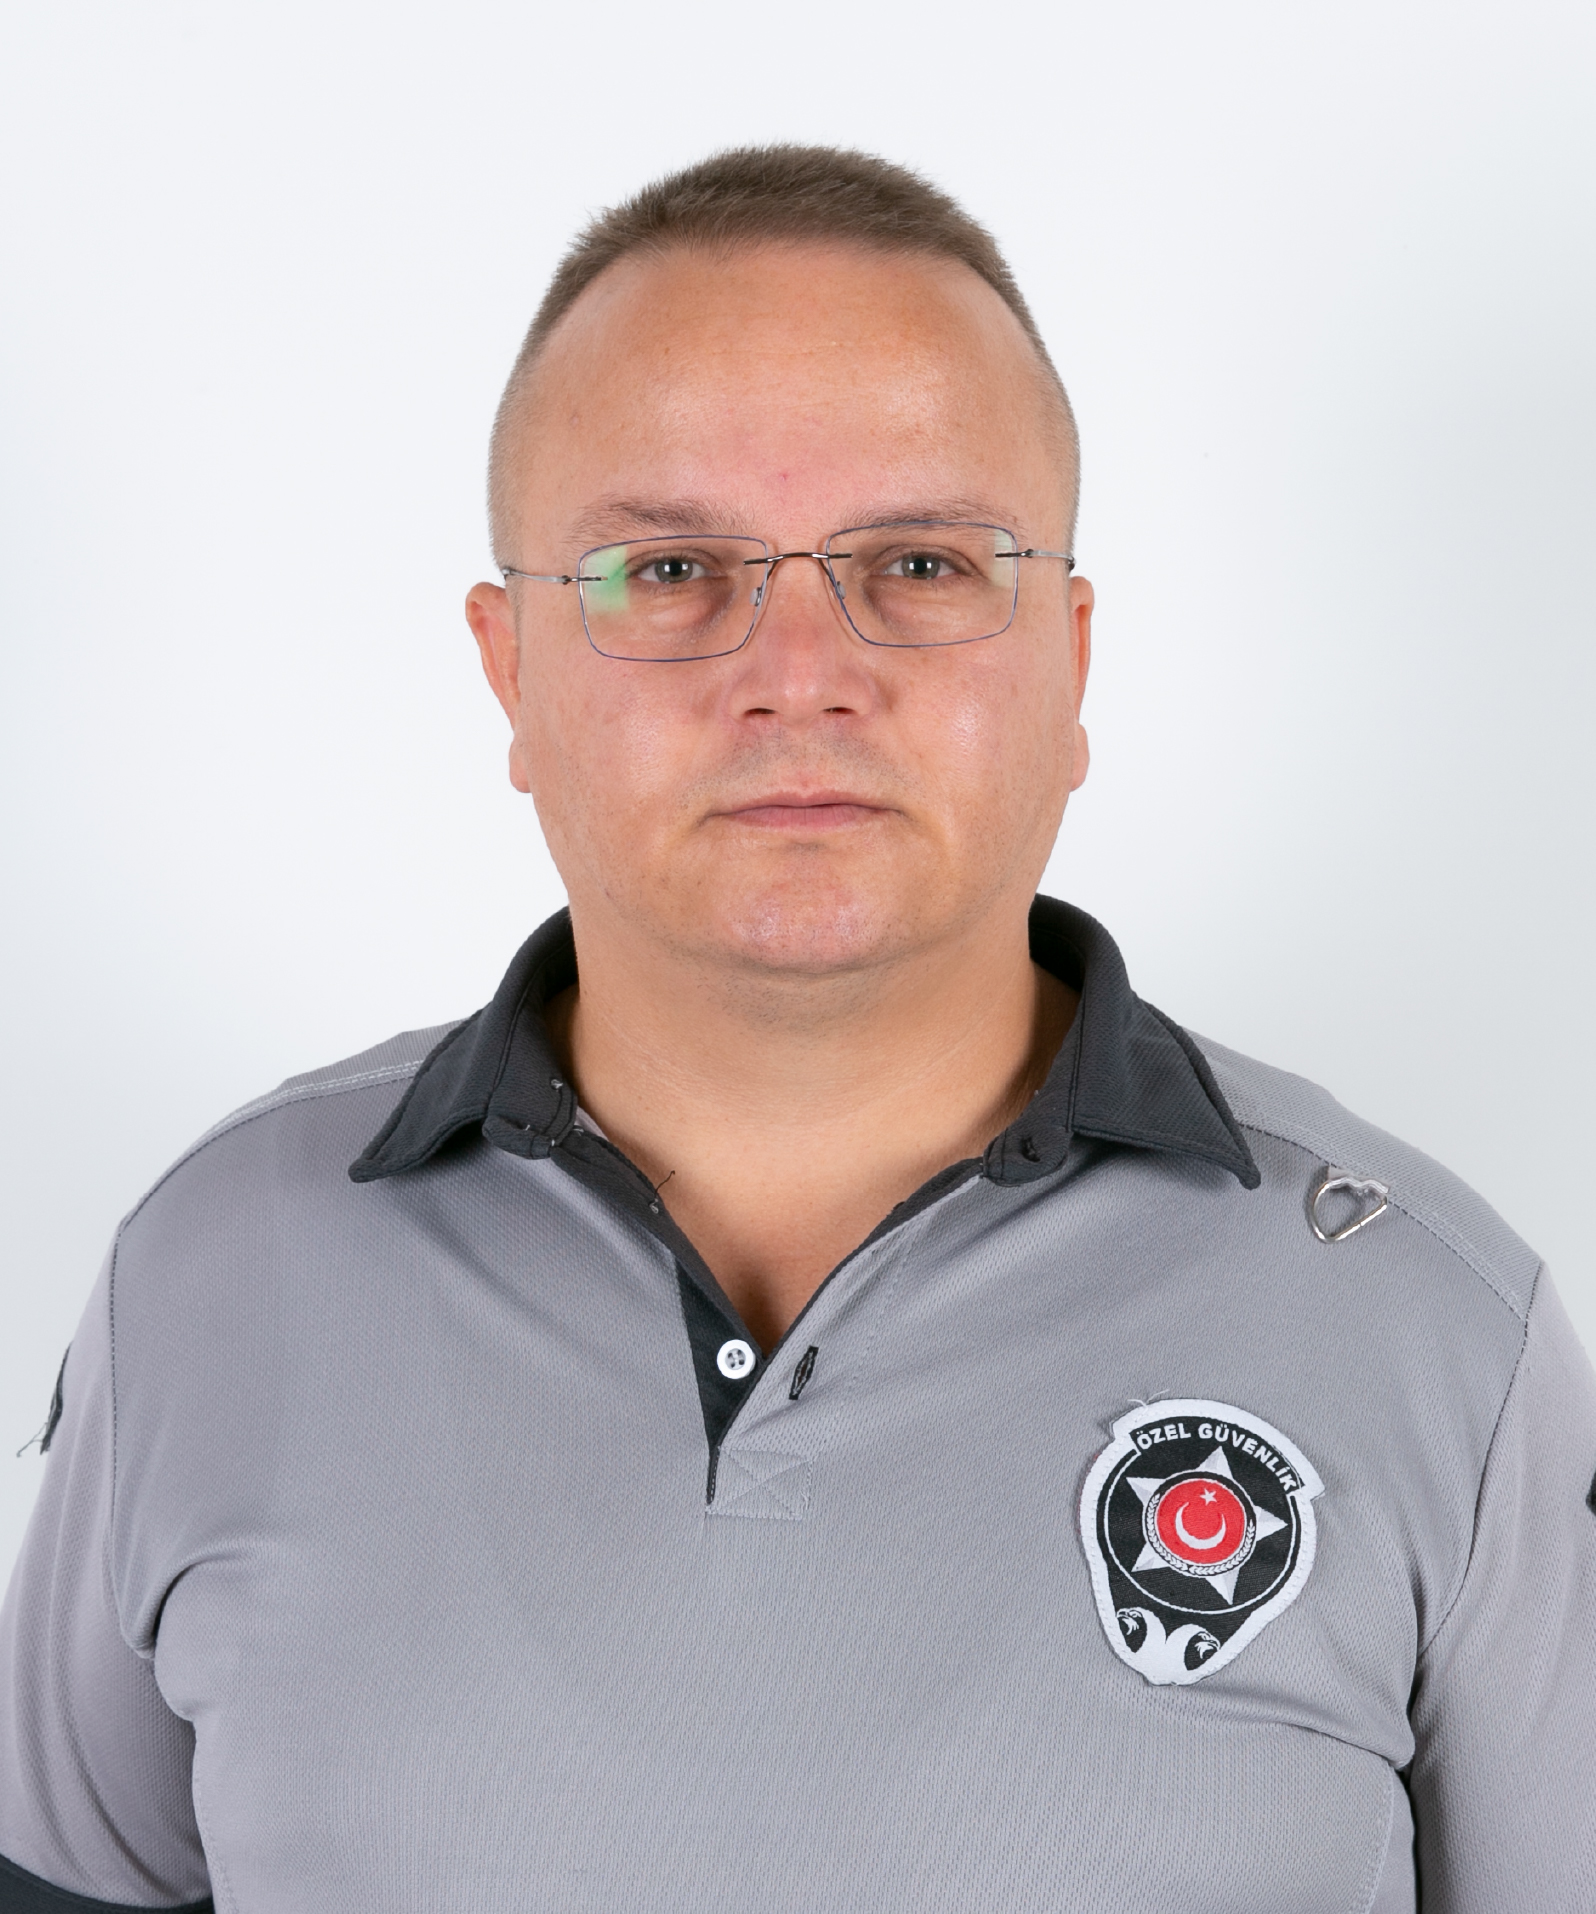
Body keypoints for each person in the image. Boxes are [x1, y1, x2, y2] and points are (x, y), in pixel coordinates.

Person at [1, 145, 1591, 1914]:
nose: (801, 674)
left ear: (1071, 663)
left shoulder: (1437, 1327)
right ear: (510, 669)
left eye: (919, 560)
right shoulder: (206, 1277)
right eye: (672, 566)